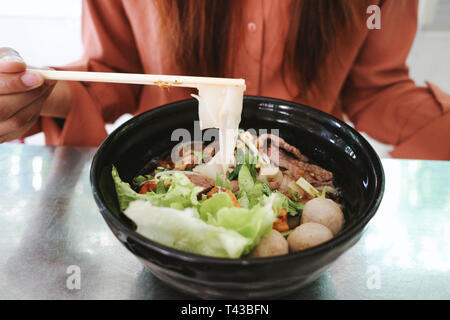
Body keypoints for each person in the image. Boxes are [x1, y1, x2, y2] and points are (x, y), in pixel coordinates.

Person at [0, 0, 448, 159]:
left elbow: (375, 89)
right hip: (168, 166)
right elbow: (114, 76)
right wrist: (31, 95)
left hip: (310, 171)